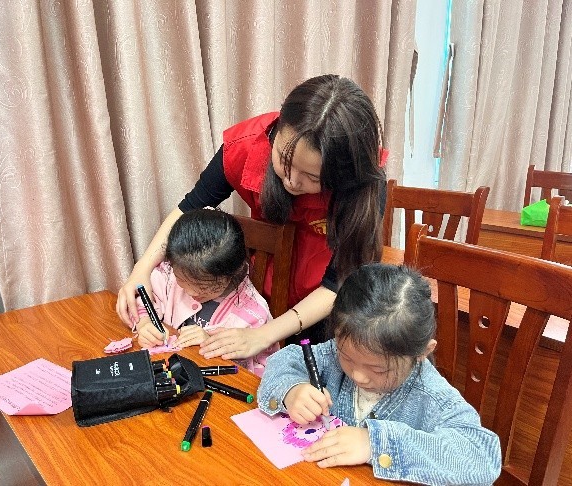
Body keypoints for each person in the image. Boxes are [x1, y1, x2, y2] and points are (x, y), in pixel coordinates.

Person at [117, 74, 388, 362]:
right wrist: (142, 268)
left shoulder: (363, 187)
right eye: (283, 159)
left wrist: (264, 335)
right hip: (267, 292)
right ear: (277, 129)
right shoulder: (247, 146)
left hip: (323, 306)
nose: (291, 181)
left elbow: (337, 283)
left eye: (311, 177)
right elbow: (190, 207)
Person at [257, 264, 501, 485]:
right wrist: (292, 389)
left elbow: (482, 459)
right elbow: (283, 360)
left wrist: (375, 444)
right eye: (347, 357)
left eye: (378, 369)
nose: (358, 376)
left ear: (421, 353)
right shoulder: (334, 354)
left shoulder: (433, 397)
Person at [129, 208, 277, 376]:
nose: (191, 291)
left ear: (232, 273)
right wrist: (145, 323)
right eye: (181, 280)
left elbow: (262, 374)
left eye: (205, 287)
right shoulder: (168, 274)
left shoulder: (255, 315)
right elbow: (143, 300)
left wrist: (214, 346)